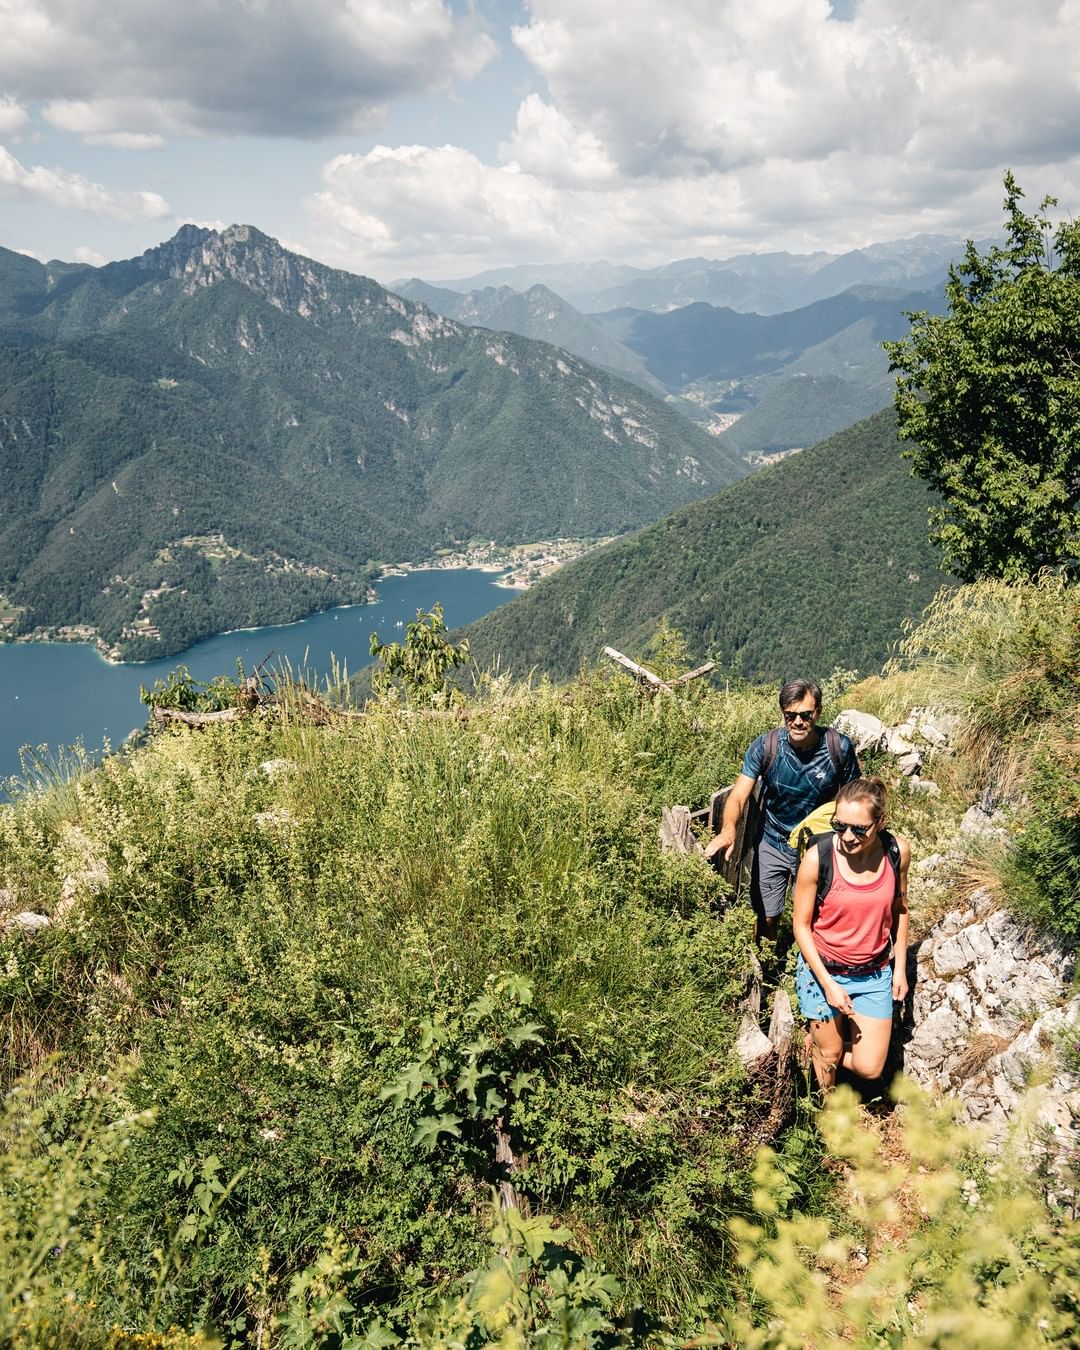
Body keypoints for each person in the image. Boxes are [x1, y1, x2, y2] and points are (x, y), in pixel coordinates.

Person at [704, 678, 860, 943]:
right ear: (783, 714)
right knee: (767, 916)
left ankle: (807, 962)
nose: (798, 722)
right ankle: (765, 963)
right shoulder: (767, 746)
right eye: (790, 715)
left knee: (816, 915)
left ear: (818, 712)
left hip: (817, 845)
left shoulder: (838, 748)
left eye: (805, 715)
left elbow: (854, 799)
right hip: (773, 841)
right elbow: (738, 796)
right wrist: (729, 829)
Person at [792, 777, 910, 1094]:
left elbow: (900, 910)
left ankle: (817, 1044)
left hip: (873, 974)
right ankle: (828, 1110)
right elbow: (800, 925)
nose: (846, 836)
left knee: (869, 1067)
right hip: (823, 971)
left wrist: (899, 968)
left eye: (859, 829)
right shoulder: (818, 858)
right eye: (839, 825)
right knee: (830, 1057)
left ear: (880, 822)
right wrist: (829, 985)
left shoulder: (896, 852)